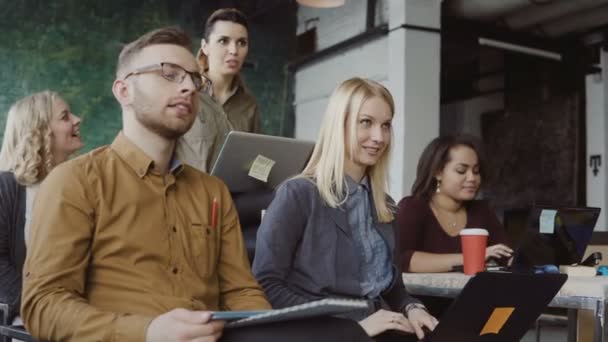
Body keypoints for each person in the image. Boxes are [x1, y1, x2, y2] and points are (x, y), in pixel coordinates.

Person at [20, 27, 370, 342]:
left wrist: (269, 328)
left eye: (194, 78)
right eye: (168, 74)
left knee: (347, 332)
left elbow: (242, 291)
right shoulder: (75, 181)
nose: (188, 86)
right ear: (123, 90)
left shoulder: (211, 192)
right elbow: (43, 306)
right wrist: (147, 331)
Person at [252, 77, 438, 342]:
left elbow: (393, 287)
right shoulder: (298, 194)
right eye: (366, 123)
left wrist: (412, 307)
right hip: (325, 333)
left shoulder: (384, 205)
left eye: (386, 125)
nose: (379, 137)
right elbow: (266, 286)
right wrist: (353, 326)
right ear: (340, 124)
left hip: (382, 327)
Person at [0, 91, 82, 324]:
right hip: (27, 325)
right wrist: (46, 309)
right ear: (39, 131)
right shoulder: (6, 187)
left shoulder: (78, 186)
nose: (77, 119)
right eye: (65, 117)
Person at [397, 135, 513, 274]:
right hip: (420, 295)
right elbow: (402, 259)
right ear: (438, 172)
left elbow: (506, 256)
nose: (472, 178)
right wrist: (472, 258)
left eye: (476, 171)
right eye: (461, 171)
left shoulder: (481, 211)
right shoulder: (413, 207)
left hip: (471, 294)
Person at [177, 8, 260, 173]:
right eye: (223, 41)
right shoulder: (185, 94)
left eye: (241, 42)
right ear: (205, 47)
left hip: (234, 196)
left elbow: (255, 161)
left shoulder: (249, 105)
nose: (234, 51)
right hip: (191, 195)